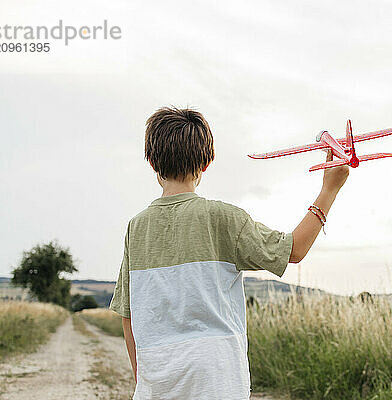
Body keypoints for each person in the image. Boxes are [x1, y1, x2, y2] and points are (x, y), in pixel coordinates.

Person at [109, 107, 348, 399]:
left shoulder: (137, 228)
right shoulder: (224, 218)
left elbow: (128, 315)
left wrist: (142, 377)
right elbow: (293, 250)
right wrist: (329, 190)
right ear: (206, 162)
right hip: (218, 380)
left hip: (156, 383)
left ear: (151, 160)